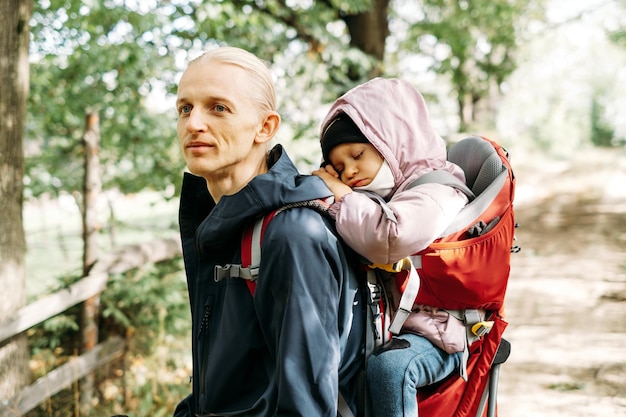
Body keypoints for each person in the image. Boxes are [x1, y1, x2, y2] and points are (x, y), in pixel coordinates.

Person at [173, 46, 364, 417]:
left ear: (265, 127)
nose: (194, 123)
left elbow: (305, 410)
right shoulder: (223, 223)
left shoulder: (292, 234)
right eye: (185, 108)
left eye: (218, 108)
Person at [312, 77, 470, 417]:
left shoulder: (437, 191)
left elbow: (388, 239)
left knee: (391, 369)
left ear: (393, 143)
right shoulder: (391, 194)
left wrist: (340, 195)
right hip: (399, 325)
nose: (349, 172)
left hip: (441, 335)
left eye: (357, 155)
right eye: (338, 168)